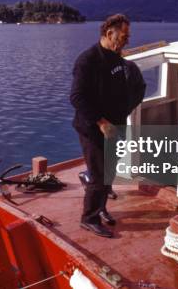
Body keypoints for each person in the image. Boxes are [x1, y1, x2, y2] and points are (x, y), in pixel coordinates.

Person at [70, 14, 145, 238]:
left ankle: (100, 203)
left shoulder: (120, 60)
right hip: (93, 128)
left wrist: (126, 109)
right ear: (109, 33)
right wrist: (101, 122)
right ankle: (89, 218)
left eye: (128, 36)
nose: (127, 40)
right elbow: (76, 97)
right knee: (101, 173)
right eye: (123, 36)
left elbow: (134, 88)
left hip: (117, 126)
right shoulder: (87, 60)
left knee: (110, 171)